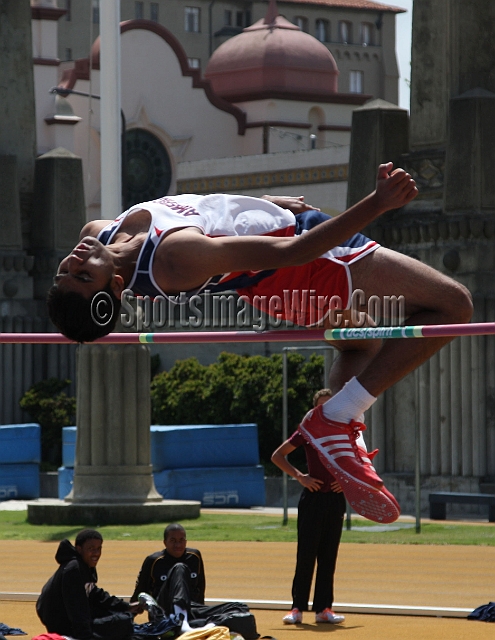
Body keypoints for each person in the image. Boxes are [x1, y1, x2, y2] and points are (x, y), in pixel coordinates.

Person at [47, 163, 473, 518]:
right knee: (453, 307)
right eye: (83, 275)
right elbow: (293, 253)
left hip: (279, 284)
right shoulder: (175, 260)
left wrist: (268, 204)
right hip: (310, 267)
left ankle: (341, 436)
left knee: (360, 345)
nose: (73, 260)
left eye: (64, 271)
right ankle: (336, 420)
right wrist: (377, 203)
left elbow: (207, 209)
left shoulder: (99, 230)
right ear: (117, 286)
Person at [272, 388, 357, 625]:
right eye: (321, 406)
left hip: (335, 501)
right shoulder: (307, 431)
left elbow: (359, 460)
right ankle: (297, 608)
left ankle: (324, 609)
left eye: (330, 406)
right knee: (306, 555)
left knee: (329, 556)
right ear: (314, 409)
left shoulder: (346, 430)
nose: (325, 410)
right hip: (312, 499)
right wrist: (300, 476)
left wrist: (345, 481)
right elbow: (277, 455)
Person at [131, 523, 258, 637]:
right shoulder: (154, 561)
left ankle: (205, 627)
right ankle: (180, 623)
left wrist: (201, 612)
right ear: (165, 542)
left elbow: (200, 589)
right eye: (173, 540)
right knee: (180, 568)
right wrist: (127, 622)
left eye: (181, 540)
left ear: (186, 542)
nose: (178, 545)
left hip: (191, 609)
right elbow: (139, 592)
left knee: (240, 608)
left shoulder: (194, 557)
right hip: (165, 611)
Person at [36, 529, 142, 640]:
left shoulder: (85, 565)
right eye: (91, 549)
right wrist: (86, 636)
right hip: (64, 626)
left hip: (72, 620)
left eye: (99, 548)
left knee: (120, 617)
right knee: (123, 622)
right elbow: (76, 609)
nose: (96, 553)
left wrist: (126, 607)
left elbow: (95, 594)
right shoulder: (74, 569)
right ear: (79, 549)